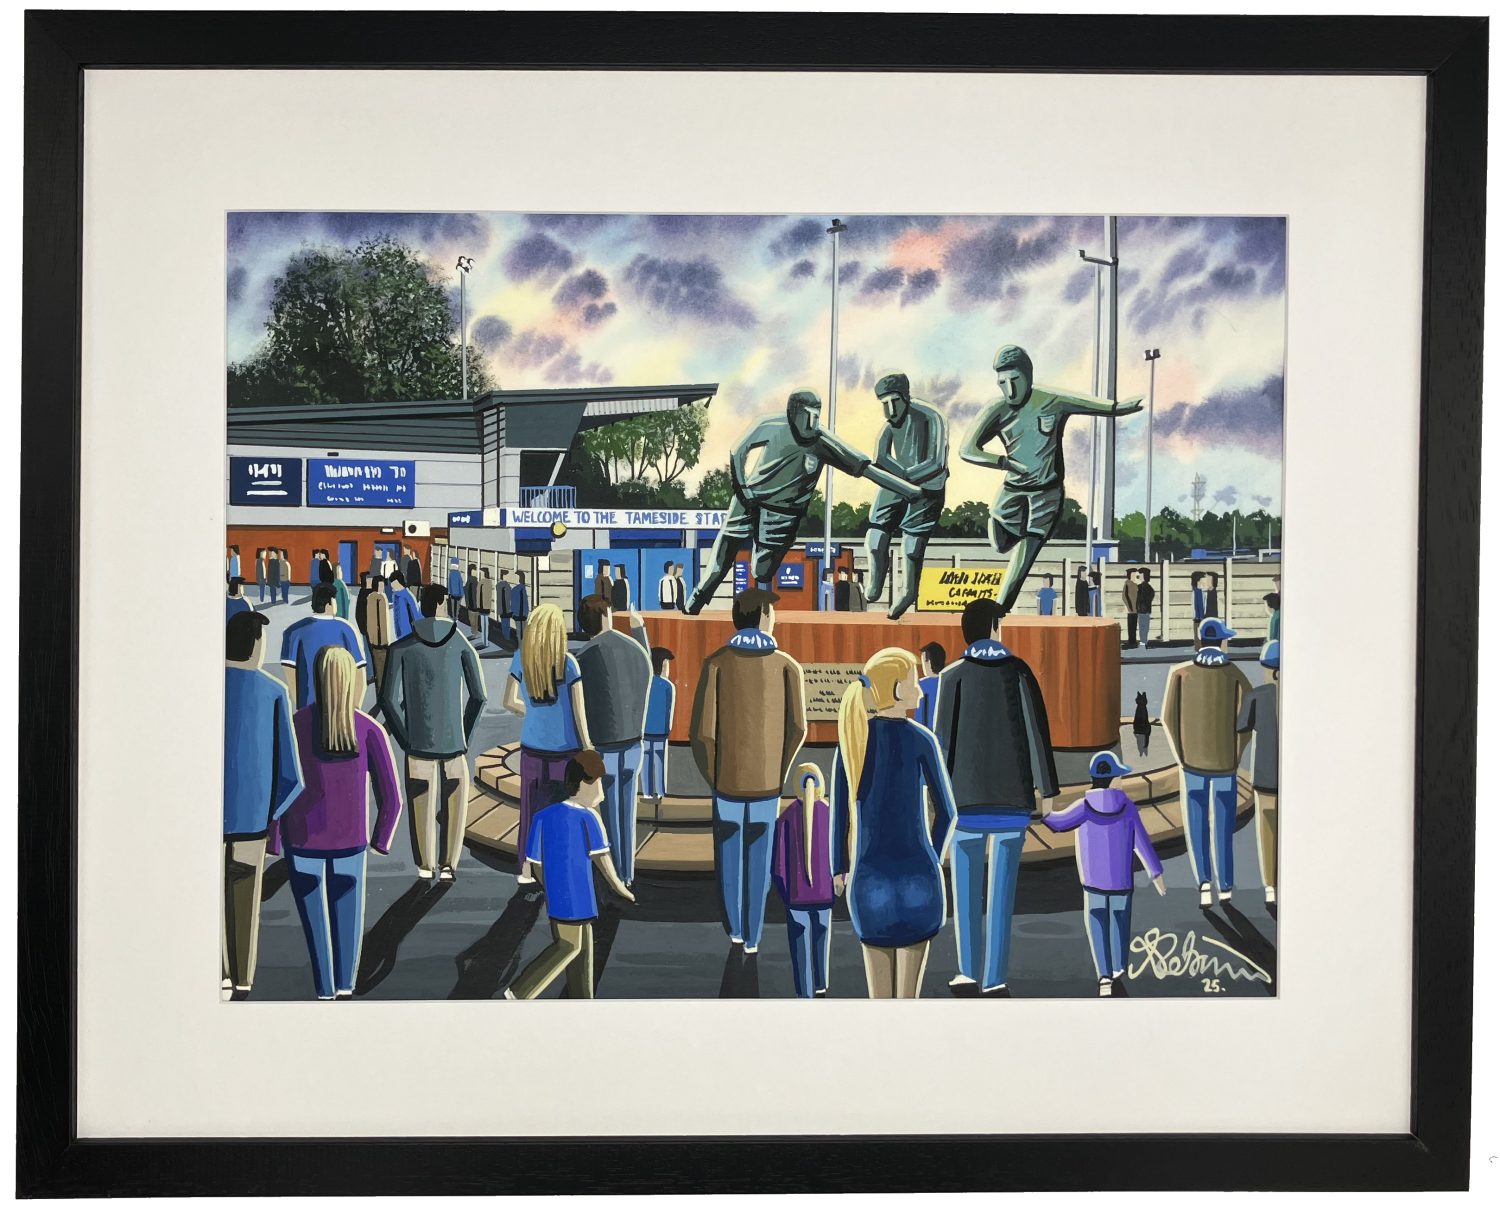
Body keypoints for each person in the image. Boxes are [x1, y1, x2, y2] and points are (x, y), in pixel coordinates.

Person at [686, 389, 920, 612]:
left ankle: (763, 553)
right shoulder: (769, 424)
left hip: (783, 514)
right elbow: (738, 450)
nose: (813, 423)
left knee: (762, 571)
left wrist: (908, 490)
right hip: (749, 499)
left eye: (817, 416)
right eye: (808, 416)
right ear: (794, 413)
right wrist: (742, 488)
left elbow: (866, 469)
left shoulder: (823, 442)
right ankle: (698, 597)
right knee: (724, 550)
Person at [932, 596, 1059, 997]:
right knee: (1001, 894)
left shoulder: (952, 677)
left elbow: (942, 742)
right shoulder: (1019, 671)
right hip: (1012, 800)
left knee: (965, 892)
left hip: (965, 801)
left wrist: (937, 796)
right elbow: (1037, 733)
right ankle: (994, 978)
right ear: (994, 628)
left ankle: (967, 971)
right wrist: (1047, 790)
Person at [959, 344, 1143, 615]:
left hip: (1047, 493)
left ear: (1028, 376)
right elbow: (967, 449)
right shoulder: (996, 409)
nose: (1010, 390)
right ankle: (1003, 529)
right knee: (1000, 544)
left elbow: (1093, 406)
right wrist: (1003, 462)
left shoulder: (1052, 401)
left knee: (1026, 551)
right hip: (1012, 490)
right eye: (1003, 383)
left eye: (1015, 380)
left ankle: (1000, 608)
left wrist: (1119, 408)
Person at [269, 646, 402, 1000]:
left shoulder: (295, 724)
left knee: (315, 929)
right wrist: (381, 838)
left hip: (302, 842)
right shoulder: (369, 729)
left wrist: (274, 839)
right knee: (348, 922)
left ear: (315, 679)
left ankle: (324, 990)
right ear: (353, 680)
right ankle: (346, 986)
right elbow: (392, 796)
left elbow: (279, 787)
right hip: (351, 844)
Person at [833, 647, 958, 998]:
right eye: (914, 682)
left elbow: (840, 815)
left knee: (879, 1000)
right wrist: (932, 855)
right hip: (918, 881)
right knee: (908, 1001)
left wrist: (839, 868)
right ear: (897, 690)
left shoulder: (853, 741)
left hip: (868, 882)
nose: (920, 690)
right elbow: (947, 812)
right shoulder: (922, 740)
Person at [690, 587, 807, 952]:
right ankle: (753, 936)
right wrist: (779, 771)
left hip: (726, 784)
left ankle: (735, 929)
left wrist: (715, 776)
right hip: (767, 786)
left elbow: (703, 734)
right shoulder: (787, 665)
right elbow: (798, 728)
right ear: (763, 617)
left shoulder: (716, 663)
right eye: (772, 613)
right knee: (760, 860)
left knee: (728, 860)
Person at [504, 751, 635, 1000]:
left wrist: (551, 888)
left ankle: (583, 1000)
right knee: (568, 946)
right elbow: (603, 861)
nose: (602, 793)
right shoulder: (590, 818)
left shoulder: (542, 817)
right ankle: (519, 992)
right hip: (577, 895)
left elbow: (534, 863)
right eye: (598, 784)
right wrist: (620, 889)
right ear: (584, 783)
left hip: (561, 894)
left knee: (583, 951)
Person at [380, 584, 487, 882]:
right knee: (455, 803)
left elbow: (387, 699)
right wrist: (464, 735)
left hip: (417, 743)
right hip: (454, 743)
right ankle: (449, 864)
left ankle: (425, 866)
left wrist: (405, 737)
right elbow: (479, 696)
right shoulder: (460, 642)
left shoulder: (401, 647)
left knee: (420, 803)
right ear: (442, 604)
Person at [223, 609, 303, 998]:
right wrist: (271, 815)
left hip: (205, 820)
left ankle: (217, 972)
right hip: (252, 822)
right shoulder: (273, 691)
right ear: (257, 644)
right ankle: (241, 978)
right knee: (243, 902)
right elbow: (291, 777)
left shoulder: (204, 686)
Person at [1041, 751, 1166, 996]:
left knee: (1097, 925)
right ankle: (1119, 967)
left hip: (1092, 882)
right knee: (1120, 923)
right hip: (1121, 882)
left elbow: (1056, 823)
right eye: (1119, 776)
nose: (1121, 781)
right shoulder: (1128, 807)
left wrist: (1046, 808)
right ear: (1113, 780)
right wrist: (1156, 873)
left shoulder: (1083, 807)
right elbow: (1142, 843)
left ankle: (1104, 977)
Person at [1161, 617, 1252, 907]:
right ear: (1222, 642)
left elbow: (1168, 718)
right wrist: (1236, 754)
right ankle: (1225, 885)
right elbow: (1245, 722)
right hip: (1226, 764)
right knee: (1224, 827)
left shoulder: (1180, 674)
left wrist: (1182, 753)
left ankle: (1203, 882)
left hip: (1191, 765)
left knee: (1196, 824)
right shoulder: (1235, 675)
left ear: (1200, 641)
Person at [504, 603, 591, 885]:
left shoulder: (522, 658)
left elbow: (508, 701)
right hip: (565, 752)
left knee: (530, 811)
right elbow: (579, 713)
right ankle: (558, 868)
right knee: (563, 812)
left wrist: (532, 713)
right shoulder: (569, 663)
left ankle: (526, 870)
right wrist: (588, 748)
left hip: (531, 748)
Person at [575, 594, 652, 885]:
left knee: (608, 813)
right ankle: (627, 872)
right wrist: (639, 630)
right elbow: (648, 669)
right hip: (634, 742)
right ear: (607, 615)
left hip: (602, 746)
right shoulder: (633, 648)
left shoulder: (583, 657)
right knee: (627, 810)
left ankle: (614, 875)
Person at [865, 370, 950, 619]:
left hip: (928, 488)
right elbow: (880, 457)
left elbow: (936, 462)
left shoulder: (931, 417)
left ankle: (909, 592)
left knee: (911, 546)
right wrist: (900, 477)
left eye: (894, 402)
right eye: (884, 404)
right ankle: (876, 581)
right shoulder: (889, 426)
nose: (890, 410)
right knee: (875, 535)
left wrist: (909, 478)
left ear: (906, 397)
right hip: (898, 484)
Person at [772, 763, 839, 998]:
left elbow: (778, 867)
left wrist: (785, 894)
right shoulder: (831, 815)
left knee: (800, 946)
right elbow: (840, 856)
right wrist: (837, 884)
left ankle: (805, 993)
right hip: (825, 895)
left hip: (795, 898)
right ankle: (821, 984)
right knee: (822, 936)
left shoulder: (785, 817)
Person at [1237, 640, 1281, 906]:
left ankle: (1270, 885)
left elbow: (1242, 726)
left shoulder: (1257, 695)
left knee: (1267, 832)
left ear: (1272, 671)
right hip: (1294, 779)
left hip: (1265, 777)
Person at [279, 583, 366, 709]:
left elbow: (289, 671)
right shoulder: (346, 630)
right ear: (330, 603)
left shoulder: (293, 631)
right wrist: (355, 707)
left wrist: (300, 706)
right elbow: (359, 671)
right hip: (341, 706)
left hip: (308, 705)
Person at [641, 646, 676, 807]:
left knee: (646, 762)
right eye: (666, 664)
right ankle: (661, 792)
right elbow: (669, 710)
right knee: (660, 761)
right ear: (661, 665)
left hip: (645, 731)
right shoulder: (668, 686)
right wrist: (668, 729)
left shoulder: (645, 684)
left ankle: (647, 793)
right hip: (661, 732)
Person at [363, 576, 393, 693]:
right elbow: (376, 621)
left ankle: (381, 690)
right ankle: (381, 691)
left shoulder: (376, 597)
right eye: (381, 585)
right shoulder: (376, 598)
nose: (382, 587)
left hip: (379, 641)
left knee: (381, 668)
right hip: (379, 642)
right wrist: (380, 640)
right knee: (381, 668)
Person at [913, 640, 945, 731]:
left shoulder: (921, 685)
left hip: (927, 734)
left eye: (923, 661)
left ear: (928, 662)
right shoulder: (949, 682)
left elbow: (919, 719)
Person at [387, 571, 420, 643]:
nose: (392, 586)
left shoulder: (407, 596)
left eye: (393, 584)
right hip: (400, 633)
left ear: (398, 582)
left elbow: (416, 615)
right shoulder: (395, 595)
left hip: (409, 634)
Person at [465, 564, 483, 647]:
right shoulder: (476, 583)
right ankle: (475, 633)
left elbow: (467, 593)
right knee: (475, 620)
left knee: (473, 620)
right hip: (475, 605)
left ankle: (475, 633)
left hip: (472, 605)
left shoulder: (469, 582)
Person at [496, 568, 515, 648]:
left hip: (502, 609)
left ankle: (505, 637)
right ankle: (506, 637)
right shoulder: (507, 586)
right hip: (506, 609)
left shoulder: (499, 586)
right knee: (506, 624)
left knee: (504, 624)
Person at [476, 568, 495, 650]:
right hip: (487, 606)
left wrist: (478, 606)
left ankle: (484, 642)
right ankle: (486, 641)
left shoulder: (481, 582)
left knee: (483, 625)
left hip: (481, 606)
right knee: (486, 625)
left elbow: (478, 596)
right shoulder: (490, 583)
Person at [1123, 567, 1141, 647]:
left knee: (1134, 625)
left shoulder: (1136, 584)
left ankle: (1133, 640)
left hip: (1136, 608)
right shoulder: (1127, 583)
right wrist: (1129, 606)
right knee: (1131, 625)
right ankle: (1131, 640)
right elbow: (1124, 596)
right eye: (1134, 574)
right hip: (1131, 609)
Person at [1137, 568, 1155, 646]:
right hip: (1147, 609)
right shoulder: (1150, 587)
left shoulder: (1140, 587)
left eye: (1140, 575)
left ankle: (1143, 640)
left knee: (1142, 626)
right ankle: (1144, 640)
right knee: (1145, 626)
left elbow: (1139, 598)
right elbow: (1151, 596)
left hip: (1141, 609)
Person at [512, 570, 531, 643]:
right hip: (523, 615)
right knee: (523, 632)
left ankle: (521, 646)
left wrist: (513, 613)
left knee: (519, 632)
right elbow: (525, 603)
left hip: (517, 614)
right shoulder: (523, 589)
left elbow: (513, 603)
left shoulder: (514, 589)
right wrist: (526, 613)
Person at [1132, 691, 1152, 757]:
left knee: (1140, 741)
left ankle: (1142, 751)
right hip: (1142, 730)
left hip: (1140, 729)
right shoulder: (1143, 707)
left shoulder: (1140, 707)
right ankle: (1143, 750)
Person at [446, 558, 465, 626]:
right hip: (458, 593)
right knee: (457, 606)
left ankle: (453, 617)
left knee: (453, 605)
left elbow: (449, 584)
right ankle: (456, 617)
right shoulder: (458, 574)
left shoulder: (450, 574)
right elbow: (460, 584)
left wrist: (449, 592)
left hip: (452, 593)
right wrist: (462, 593)